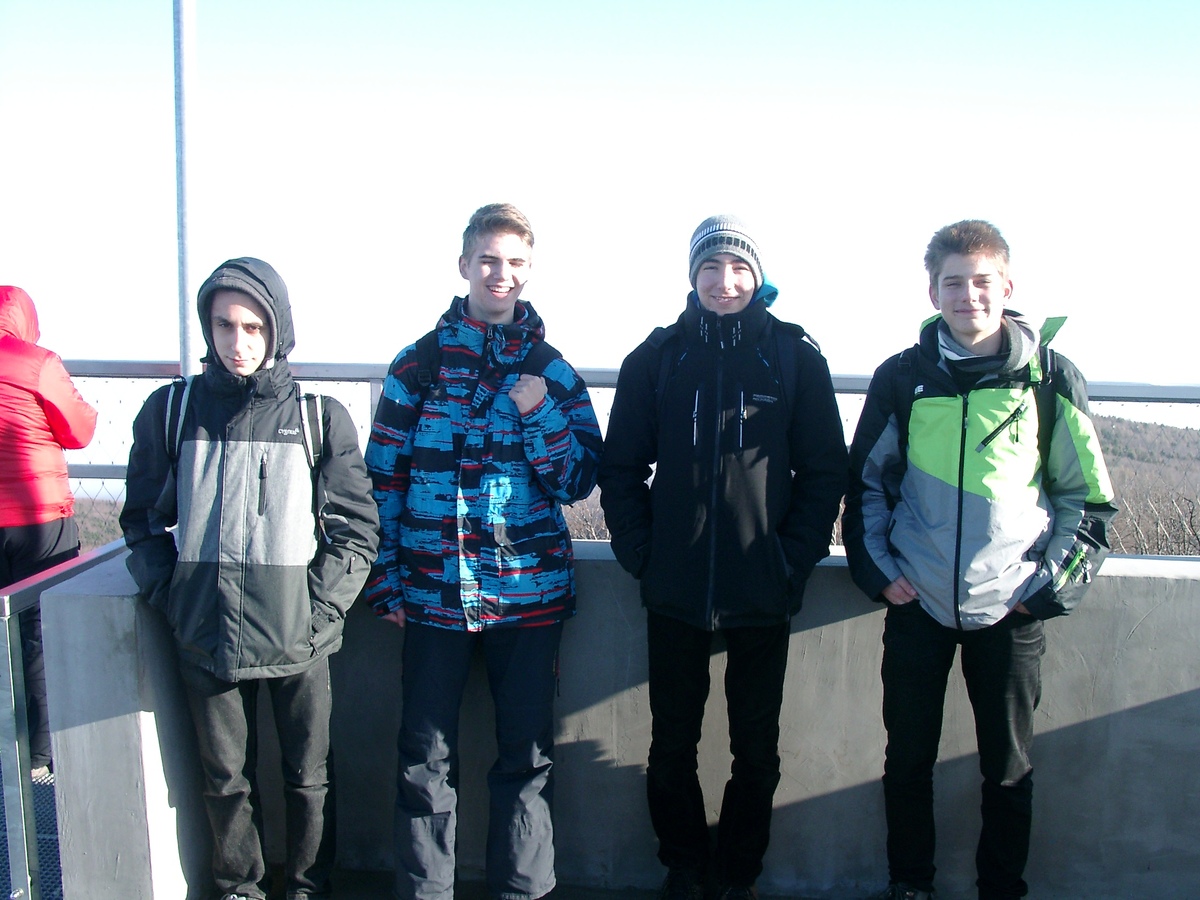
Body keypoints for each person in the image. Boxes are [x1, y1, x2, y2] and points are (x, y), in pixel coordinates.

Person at [842, 220, 1118, 900]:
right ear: (933, 293)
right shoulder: (902, 377)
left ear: (1008, 287)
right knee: (907, 761)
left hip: (1012, 605)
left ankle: (1001, 889)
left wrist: (1047, 588)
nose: (969, 296)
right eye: (954, 283)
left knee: (1009, 769)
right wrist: (880, 572)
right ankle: (910, 885)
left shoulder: (1050, 377)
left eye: (982, 282)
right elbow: (867, 484)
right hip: (919, 600)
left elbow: (1088, 500)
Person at [598, 215, 848, 900]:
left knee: (756, 752)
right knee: (670, 748)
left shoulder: (794, 357)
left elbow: (826, 470)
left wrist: (791, 561)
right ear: (693, 276)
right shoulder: (657, 358)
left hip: (763, 589)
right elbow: (620, 469)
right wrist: (643, 555)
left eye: (739, 268)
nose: (725, 281)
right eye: (711, 267)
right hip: (674, 590)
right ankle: (684, 866)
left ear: (758, 278)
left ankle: (738, 874)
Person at [121, 258, 380, 900]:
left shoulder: (321, 417)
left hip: (298, 636)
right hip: (205, 632)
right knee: (224, 781)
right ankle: (240, 888)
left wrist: (318, 613)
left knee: (309, 779)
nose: (238, 342)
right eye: (224, 325)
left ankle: (309, 887)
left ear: (278, 330)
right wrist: (173, 597)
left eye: (254, 327)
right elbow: (142, 520)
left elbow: (356, 530)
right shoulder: (172, 411)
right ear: (207, 328)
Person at [364, 203, 602, 900]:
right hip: (431, 596)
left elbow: (578, 480)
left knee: (526, 762)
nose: (502, 274)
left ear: (530, 271)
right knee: (424, 762)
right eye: (489, 260)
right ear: (464, 264)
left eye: (515, 263)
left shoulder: (551, 373)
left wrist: (539, 412)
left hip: (528, 601)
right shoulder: (418, 366)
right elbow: (381, 482)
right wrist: (385, 582)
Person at [0, 285, 98, 779]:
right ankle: (40, 753)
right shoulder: (37, 363)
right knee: (41, 633)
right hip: (40, 520)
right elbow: (80, 431)